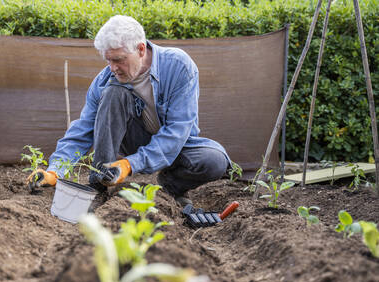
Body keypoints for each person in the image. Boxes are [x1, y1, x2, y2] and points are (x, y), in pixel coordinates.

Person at [27, 15, 230, 206]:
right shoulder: (104, 81)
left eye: (119, 59)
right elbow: (82, 130)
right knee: (113, 93)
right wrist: (55, 171)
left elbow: (178, 131)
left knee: (213, 161)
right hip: (131, 141)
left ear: (141, 50)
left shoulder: (179, 66)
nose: (112, 67)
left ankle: (169, 189)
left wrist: (129, 164)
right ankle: (100, 183)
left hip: (176, 146)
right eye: (108, 60)